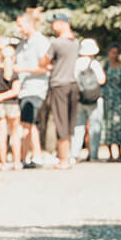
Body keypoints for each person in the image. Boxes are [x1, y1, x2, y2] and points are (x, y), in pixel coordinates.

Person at [41, 12, 80, 170]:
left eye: (54, 23)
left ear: (62, 23)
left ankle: (63, 159)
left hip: (59, 84)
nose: (52, 26)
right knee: (70, 123)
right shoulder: (76, 42)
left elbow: (43, 61)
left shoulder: (56, 43)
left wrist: (50, 65)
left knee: (60, 122)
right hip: (73, 84)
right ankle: (67, 156)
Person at [15, 11, 51, 168]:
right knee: (30, 123)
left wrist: (23, 69)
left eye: (21, 26)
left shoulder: (41, 42)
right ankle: (34, 155)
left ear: (30, 24)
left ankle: (26, 157)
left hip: (35, 89)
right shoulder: (22, 44)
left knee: (27, 123)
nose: (19, 29)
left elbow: (46, 68)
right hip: (22, 89)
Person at [72, 38, 106, 162]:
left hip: (80, 99)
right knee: (95, 127)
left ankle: (74, 154)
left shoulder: (75, 63)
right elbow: (102, 80)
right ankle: (94, 154)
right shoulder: (95, 64)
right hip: (95, 99)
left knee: (78, 127)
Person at [0, 43, 22, 170]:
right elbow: (16, 91)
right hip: (13, 104)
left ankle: (3, 163)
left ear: (0, 56)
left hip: (0, 105)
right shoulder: (14, 73)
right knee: (14, 134)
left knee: (1, 134)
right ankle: (17, 162)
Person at [101, 45, 121, 161]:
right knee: (108, 124)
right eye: (112, 52)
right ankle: (110, 153)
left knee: (119, 125)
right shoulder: (106, 66)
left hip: (119, 98)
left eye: (116, 53)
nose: (114, 55)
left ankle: (120, 152)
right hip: (108, 98)